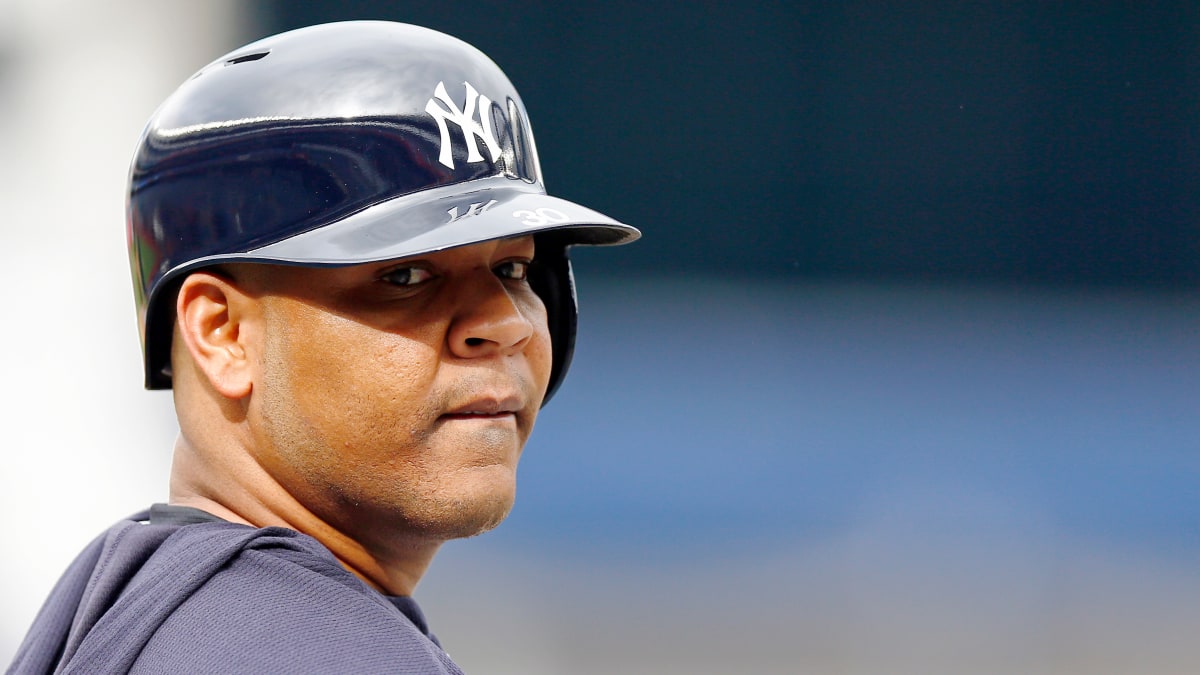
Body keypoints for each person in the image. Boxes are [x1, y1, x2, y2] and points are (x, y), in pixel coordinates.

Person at [7, 20, 638, 675]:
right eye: (405, 276)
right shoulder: (322, 654)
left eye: (513, 269)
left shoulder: (114, 601)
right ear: (222, 333)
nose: (504, 323)